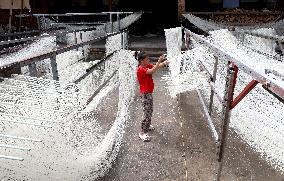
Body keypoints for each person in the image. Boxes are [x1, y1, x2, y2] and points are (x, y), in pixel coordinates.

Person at [135, 51, 168, 142]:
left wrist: (165, 63)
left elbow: (156, 67)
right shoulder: (141, 69)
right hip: (145, 94)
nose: (149, 60)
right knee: (147, 113)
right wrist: (159, 60)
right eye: (147, 59)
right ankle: (142, 132)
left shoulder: (146, 66)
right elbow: (152, 71)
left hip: (148, 93)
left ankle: (148, 126)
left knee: (150, 110)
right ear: (142, 61)